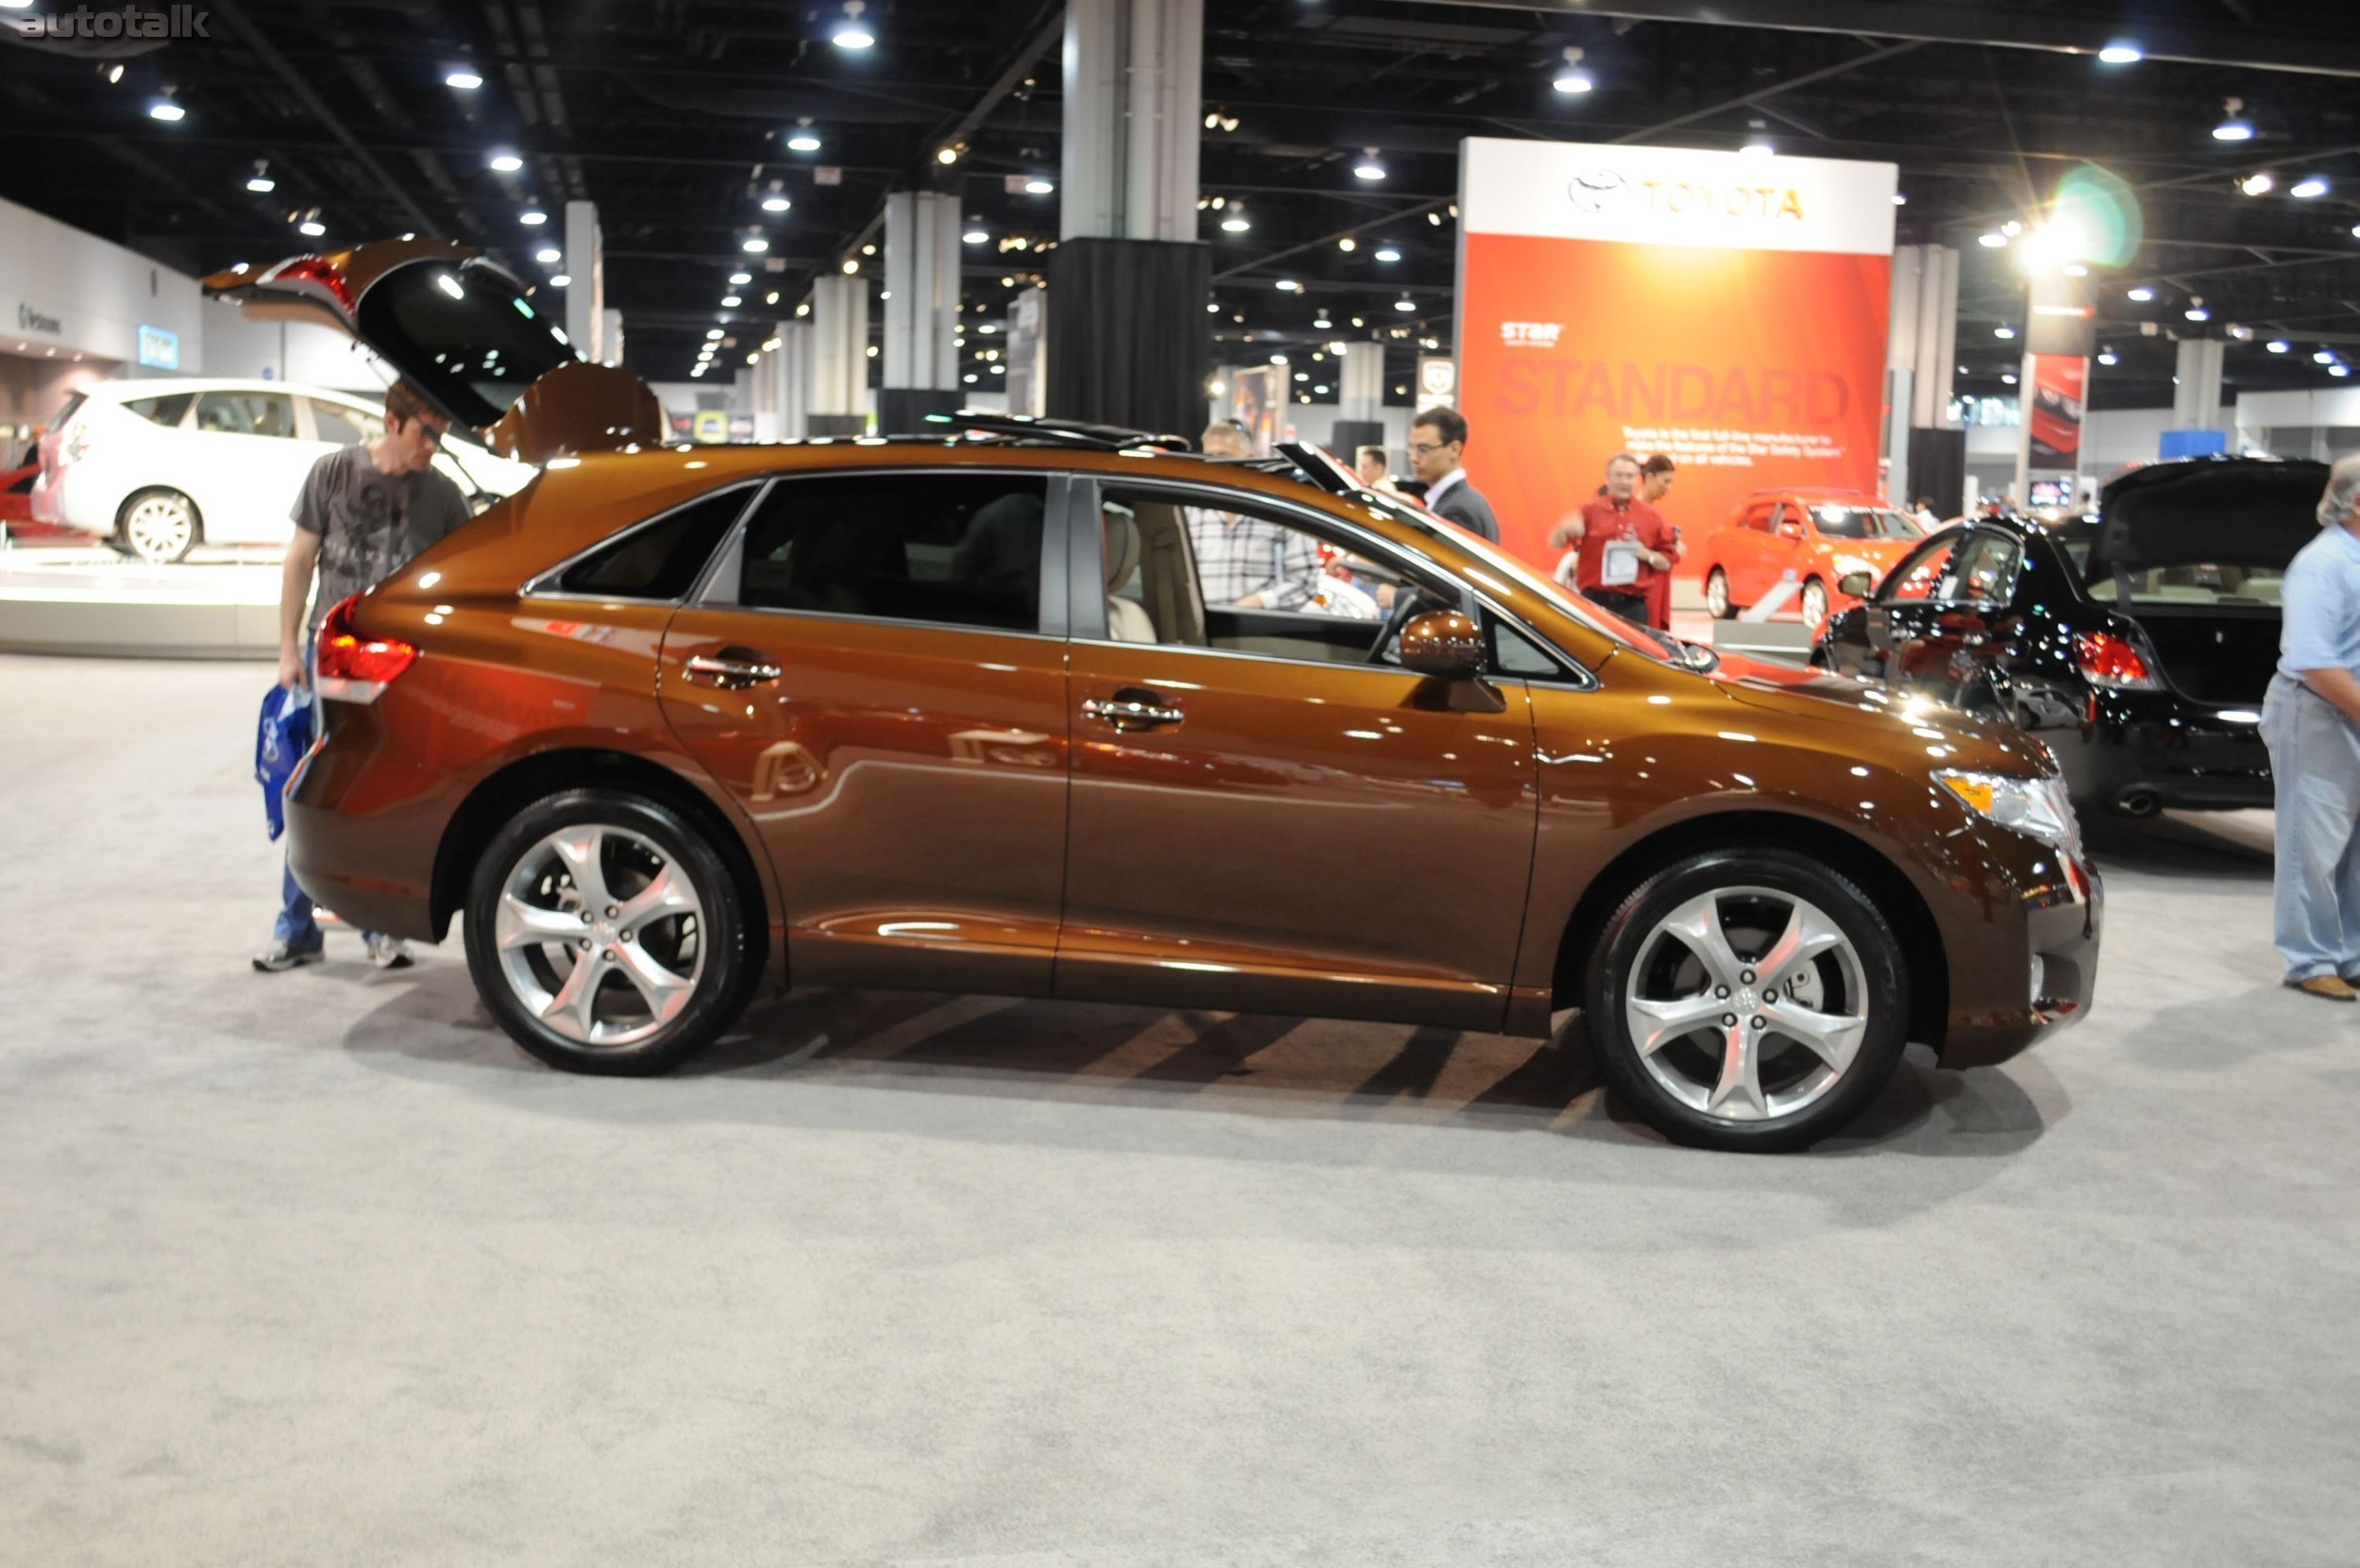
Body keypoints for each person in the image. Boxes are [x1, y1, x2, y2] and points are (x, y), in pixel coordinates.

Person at [254, 379, 470, 973]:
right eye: (426, 433)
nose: (433, 446)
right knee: (315, 788)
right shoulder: (332, 473)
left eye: (441, 435)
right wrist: (287, 649)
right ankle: (297, 930)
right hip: (329, 658)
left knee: (385, 794)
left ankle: (381, 928)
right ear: (392, 422)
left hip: (400, 666)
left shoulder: (444, 497)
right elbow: (300, 560)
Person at [2262, 456, 2360, 1002]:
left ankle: (2351, 955)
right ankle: (2311, 960)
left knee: (2353, 851)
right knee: (2312, 846)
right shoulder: (2323, 565)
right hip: (2318, 714)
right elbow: (2315, 662)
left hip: (2351, 712)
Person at [1547, 453, 1677, 625]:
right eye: (1619, 475)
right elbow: (1556, 543)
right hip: (1593, 603)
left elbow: (1668, 561)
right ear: (1607, 478)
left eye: (1629, 476)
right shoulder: (1589, 511)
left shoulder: (1651, 517)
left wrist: (1649, 556)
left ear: (1636, 480)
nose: (1624, 481)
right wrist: (1563, 530)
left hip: (1633, 607)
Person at [1407, 407, 1498, 542]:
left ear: (1454, 449)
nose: (1413, 458)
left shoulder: (1457, 511)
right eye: (1411, 448)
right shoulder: (1466, 500)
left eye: (1424, 449)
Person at [1636, 454, 1682, 630]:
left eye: (1671, 482)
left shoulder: (1653, 513)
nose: (1668, 487)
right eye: (1665, 481)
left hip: (1656, 588)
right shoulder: (1636, 512)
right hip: (1644, 592)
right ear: (1650, 477)